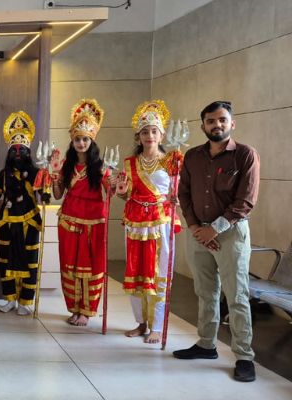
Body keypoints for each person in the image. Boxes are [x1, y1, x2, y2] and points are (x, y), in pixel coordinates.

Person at [173, 101, 260, 383]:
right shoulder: (192, 156)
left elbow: (245, 200)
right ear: (203, 126)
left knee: (236, 296)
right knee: (205, 291)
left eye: (222, 120)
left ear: (232, 123)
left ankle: (244, 356)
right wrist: (195, 227)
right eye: (211, 121)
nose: (216, 125)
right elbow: (183, 194)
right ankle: (206, 344)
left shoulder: (245, 155)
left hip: (231, 233)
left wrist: (215, 229)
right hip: (198, 232)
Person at [114, 100, 183, 343]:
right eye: (145, 132)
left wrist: (177, 198)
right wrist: (121, 192)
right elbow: (126, 195)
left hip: (160, 222)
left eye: (154, 131)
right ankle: (141, 323)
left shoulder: (172, 161)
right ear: (138, 136)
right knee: (136, 271)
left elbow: (179, 193)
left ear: (161, 134)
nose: (149, 136)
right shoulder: (129, 163)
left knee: (159, 273)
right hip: (135, 223)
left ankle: (157, 326)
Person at [52, 100, 111, 326]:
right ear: (72, 140)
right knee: (69, 265)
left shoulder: (102, 167)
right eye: (77, 139)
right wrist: (54, 178)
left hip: (93, 223)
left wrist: (117, 185)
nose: (81, 143)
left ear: (92, 140)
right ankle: (74, 308)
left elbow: (112, 193)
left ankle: (87, 311)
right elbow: (58, 194)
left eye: (85, 139)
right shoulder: (65, 165)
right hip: (68, 221)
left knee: (91, 266)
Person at [0, 111, 46, 317]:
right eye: (15, 149)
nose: (19, 152)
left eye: (22, 149)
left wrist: (48, 182)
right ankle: (10, 299)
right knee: (6, 261)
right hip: (7, 222)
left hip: (29, 222)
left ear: (28, 152)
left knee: (29, 261)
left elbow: (44, 196)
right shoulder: (3, 174)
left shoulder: (36, 173)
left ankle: (25, 301)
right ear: (9, 152)